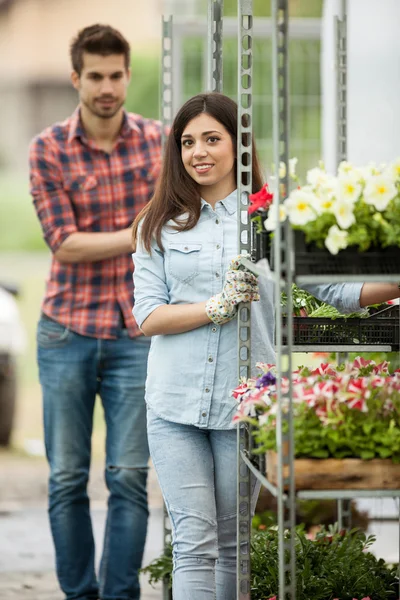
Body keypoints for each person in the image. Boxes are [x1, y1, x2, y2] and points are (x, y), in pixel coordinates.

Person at [131, 91, 400, 600]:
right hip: (174, 404)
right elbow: (148, 316)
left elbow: (337, 292)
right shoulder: (156, 223)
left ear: (239, 145)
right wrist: (216, 306)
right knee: (193, 541)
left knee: (233, 542)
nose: (199, 152)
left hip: (245, 406)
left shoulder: (270, 221)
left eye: (212, 138)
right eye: (187, 142)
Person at [29, 24, 164, 600]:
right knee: (65, 479)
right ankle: (79, 594)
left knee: (130, 478)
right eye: (95, 77)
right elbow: (64, 242)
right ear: (76, 78)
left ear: (127, 75)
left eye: (116, 76)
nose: (107, 87)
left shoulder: (160, 143)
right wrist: (139, 232)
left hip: (139, 331)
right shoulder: (47, 149)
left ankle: (119, 596)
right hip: (68, 330)